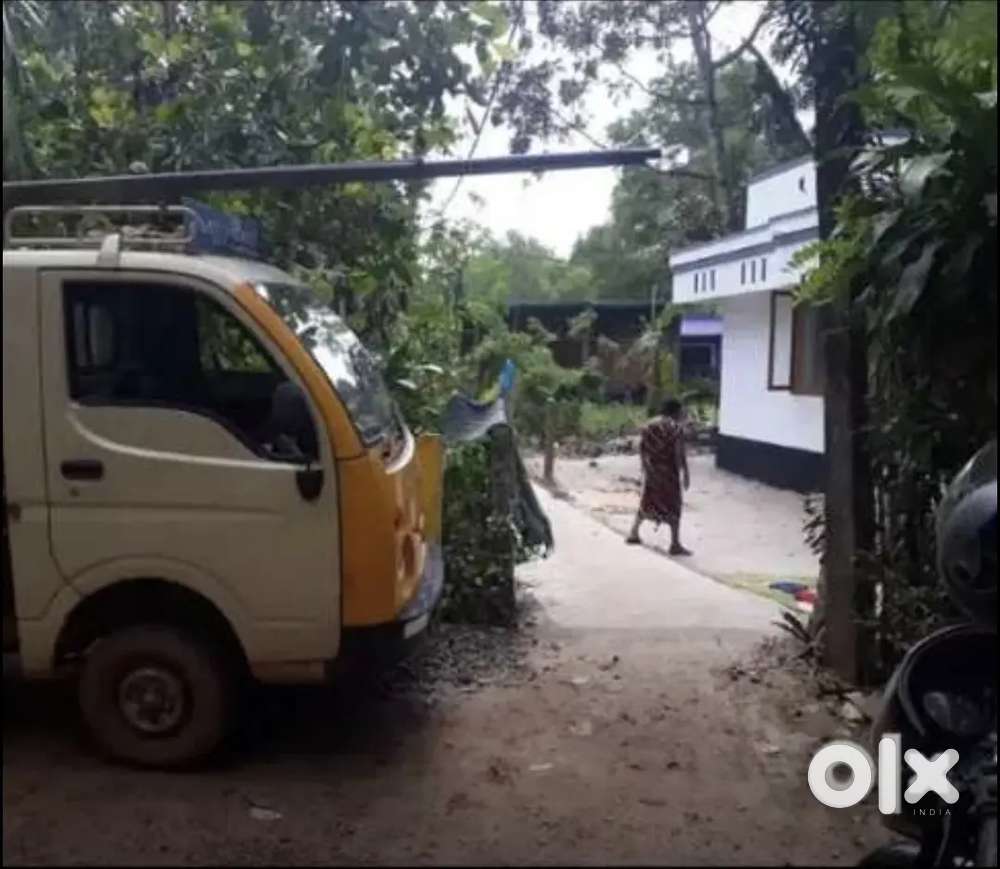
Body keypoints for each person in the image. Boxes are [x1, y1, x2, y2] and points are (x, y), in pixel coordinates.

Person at [626, 398, 692, 555]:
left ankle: (633, 532)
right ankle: (674, 543)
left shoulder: (649, 425)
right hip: (669, 473)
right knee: (674, 506)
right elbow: (678, 453)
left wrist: (644, 467)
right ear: (676, 411)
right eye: (681, 411)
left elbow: (642, 448)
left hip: (652, 470)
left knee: (648, 501)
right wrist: (685, 472)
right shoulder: (675, 428)